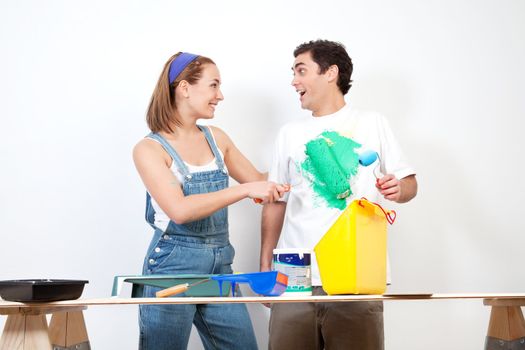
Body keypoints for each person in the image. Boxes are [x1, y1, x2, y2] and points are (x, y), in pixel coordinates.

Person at [260, 40, 418, 350]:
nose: (294, 81)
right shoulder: (288, 134)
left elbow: (409, 183)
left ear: (331, 73)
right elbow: (275, 202)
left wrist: (399, 189)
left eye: (301, 71)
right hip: (295, 278)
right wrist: (266, 264)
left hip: (357, 276)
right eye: (293, 72)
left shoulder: (373, 123)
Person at [133, 52, 287, 350]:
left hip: (220, 268)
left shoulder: (217, 138)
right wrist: (245, 191)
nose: (221, 95)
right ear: (185, 88)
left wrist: (298, 167)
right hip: (171, 270)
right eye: (214, 85)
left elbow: (257, 179)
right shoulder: (149, 149)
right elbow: (179, 210)